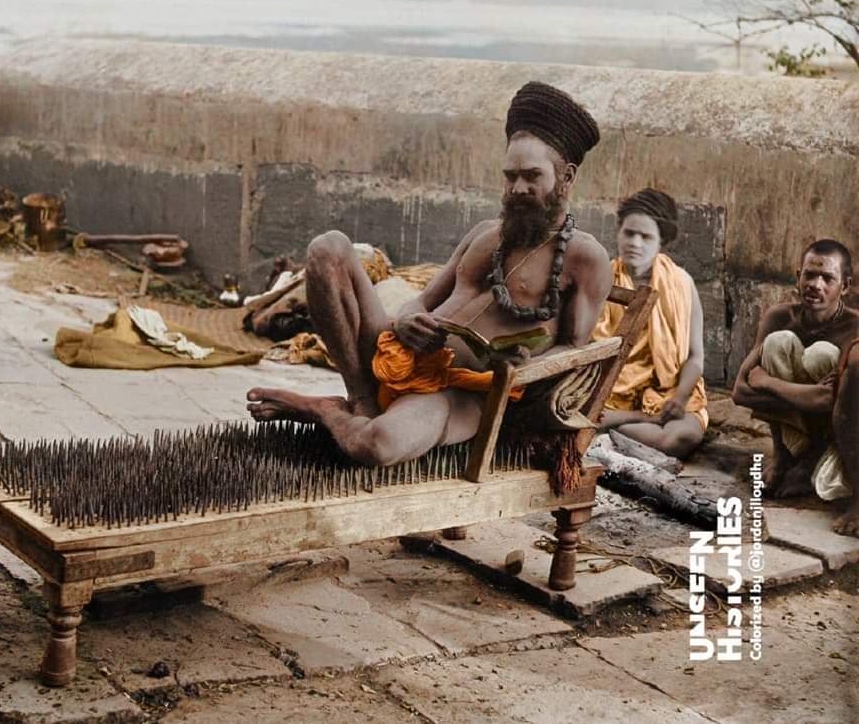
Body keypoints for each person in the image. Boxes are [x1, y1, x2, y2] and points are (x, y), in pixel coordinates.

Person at [246, 81, 613, 466]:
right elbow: (421, 300)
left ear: (567, 177)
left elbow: (574, 349)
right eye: (510, 176)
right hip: (399, 354)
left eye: (532, 176)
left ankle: (325, 410)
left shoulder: (585, 257)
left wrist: (525, 365)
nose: (517, 188)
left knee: (376, 446)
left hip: (457, 392)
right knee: (328, 248)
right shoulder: (486, 234)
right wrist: (407, 320)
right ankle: (361, 398)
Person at [731, 239, 859, 536]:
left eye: (827, 278)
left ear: (846, 286)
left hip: (841, 435)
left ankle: (812, 463)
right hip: (804, 419)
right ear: (797, 276)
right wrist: (807, 396)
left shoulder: (854, 328)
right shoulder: (779, 317)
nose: (816, 284)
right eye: (809, 275)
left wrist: (768, 383)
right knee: (778, 343)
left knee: (822, 354)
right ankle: (784, 458)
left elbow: (833, 403)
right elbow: (740, 391)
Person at [592, 188, 707, 458]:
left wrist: (679, 399)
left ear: (661, 242)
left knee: (680, 437)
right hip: (611, 393)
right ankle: (632, 419)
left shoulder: (681, 283)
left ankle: (613, 428)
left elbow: (695, 356)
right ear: (618, 232)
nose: (635, 242)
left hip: (666, 393)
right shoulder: (601, 279)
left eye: (646, 237)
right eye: (629, 233)